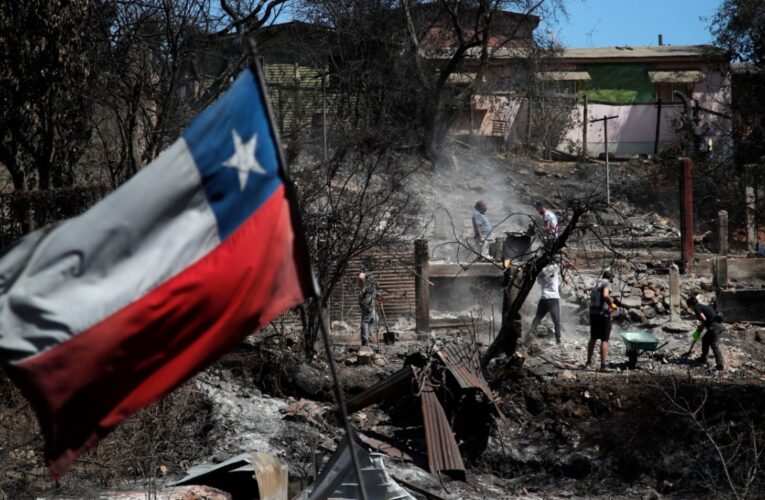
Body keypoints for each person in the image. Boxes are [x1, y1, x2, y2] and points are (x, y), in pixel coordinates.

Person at [586, 270, 619, 372]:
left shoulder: (596, 283)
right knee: (604, 340)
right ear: (610, 278)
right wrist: (612, 305)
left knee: (593, 338)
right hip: (603, 315)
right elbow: (605, 295)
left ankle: (588, 363)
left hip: (593, 314)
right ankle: (603, 366)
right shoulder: (607, 284)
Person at [686, 296, 724, 371]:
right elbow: (707, 319)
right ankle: (703, 358)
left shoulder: (696, 308)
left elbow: (704, 319)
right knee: (705, 340)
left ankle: (720, 365)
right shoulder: (702, 306)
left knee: (714, 345)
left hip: (714, 327)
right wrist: (700, 328)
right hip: (716, 326)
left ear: (690, 305)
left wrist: (701, 327)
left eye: (689, 306)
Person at [529, 263, 562, 345]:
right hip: (554, 298)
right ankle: (558, 340)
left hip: (544, 298)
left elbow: (539, 282)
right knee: (557, 321)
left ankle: (530, 334)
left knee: (538, 318)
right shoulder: (556, 267)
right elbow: (564, 265)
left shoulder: (541, 270)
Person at [358, 271, 379, 346]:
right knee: (366, 321)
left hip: (370, 303)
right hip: (367, 304)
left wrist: (377, 294)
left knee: (375, 319)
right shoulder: (365, 281)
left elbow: (376, 290)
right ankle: (365, 341)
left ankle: (368, 339)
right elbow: (361, 276)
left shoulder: (372, 281)